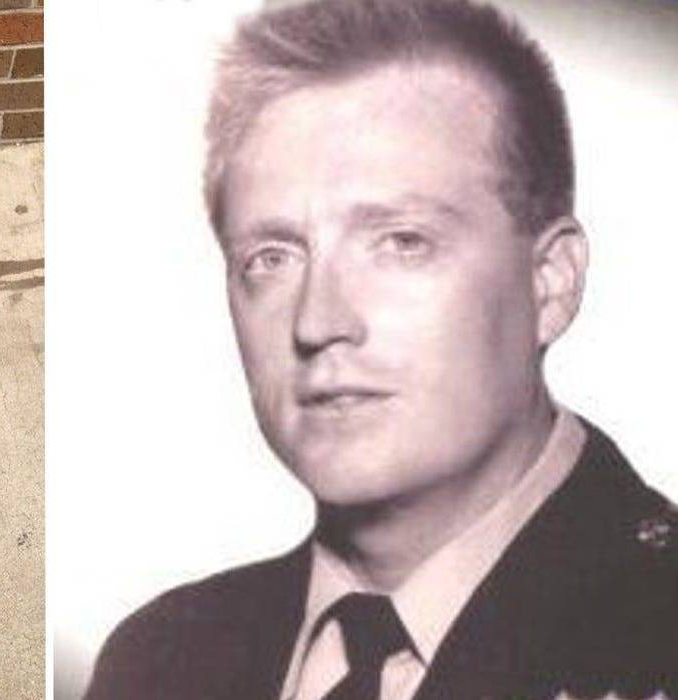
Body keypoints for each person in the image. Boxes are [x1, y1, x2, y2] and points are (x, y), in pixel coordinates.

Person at [84, 0, 678, 698]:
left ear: (549, 283)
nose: (316, 321)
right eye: (271, 258)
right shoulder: (158, 660)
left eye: (402, 243)